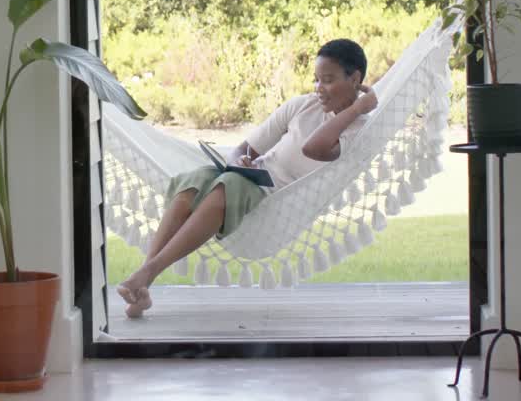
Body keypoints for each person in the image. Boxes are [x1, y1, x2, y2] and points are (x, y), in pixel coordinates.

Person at [116, 39, 379, 317]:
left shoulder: (360, 131)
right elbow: (244, 149)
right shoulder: (302, 106)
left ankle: (146, 273)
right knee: (192, 184)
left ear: (355, 79)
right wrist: (237, 160)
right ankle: (144, 284)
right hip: (248, 177)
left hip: (274, 198)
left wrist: (357, 109)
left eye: (328, 80)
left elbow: (313, 148)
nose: (319, 89)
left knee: (225, 188)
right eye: (316, 80)